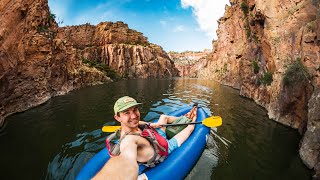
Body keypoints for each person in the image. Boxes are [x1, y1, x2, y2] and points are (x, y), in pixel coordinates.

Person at [93, 96, 198, 179]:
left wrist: (150, 124)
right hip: (165, 148)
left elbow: (139, 122)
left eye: (135, 110)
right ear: (117, 117)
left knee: (163, 117)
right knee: (190, 128)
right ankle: (192, 118)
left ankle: (184, 117)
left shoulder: (133, 125)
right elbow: (126, 158)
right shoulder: (129, 140)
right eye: (127, 113)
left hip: (156, 138)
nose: (134, 116)